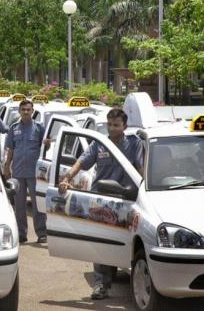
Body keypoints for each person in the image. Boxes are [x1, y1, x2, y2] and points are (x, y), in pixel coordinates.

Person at [58, 108, 144, 300]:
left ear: (125, 126)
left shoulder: (134, 144)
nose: (112, 128)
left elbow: (140, 169)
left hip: (125, 200)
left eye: (116, 125)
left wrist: (145, 189)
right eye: (110, 124)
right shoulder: (99, 144)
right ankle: (100, 285)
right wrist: (67, 178)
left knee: (124, 242)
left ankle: (131, 277)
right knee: (99, 243)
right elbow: (81, 162)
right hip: (100, 199)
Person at [4, 99, 50, 244]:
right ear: (19, 111)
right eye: (23, 109)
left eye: (28, 110)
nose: (25, 112)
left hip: (33, 172)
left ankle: (41, 233)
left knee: (38, 205)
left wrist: (47, 145)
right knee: (19, 206)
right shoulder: (14, 128)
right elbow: (10, 148)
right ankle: (21, 234)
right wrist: (7, 166)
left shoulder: (39, 128)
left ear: (32, 111)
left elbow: (44, 149)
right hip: (18, 172)